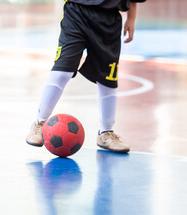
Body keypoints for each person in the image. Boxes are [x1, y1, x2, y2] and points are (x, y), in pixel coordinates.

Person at [26, 0, 146, 154]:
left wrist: (131, 18)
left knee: (107, 79)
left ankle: (106, 133)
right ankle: (40, 123)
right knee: (63, 70)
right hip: (76, 13)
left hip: (109, 20)